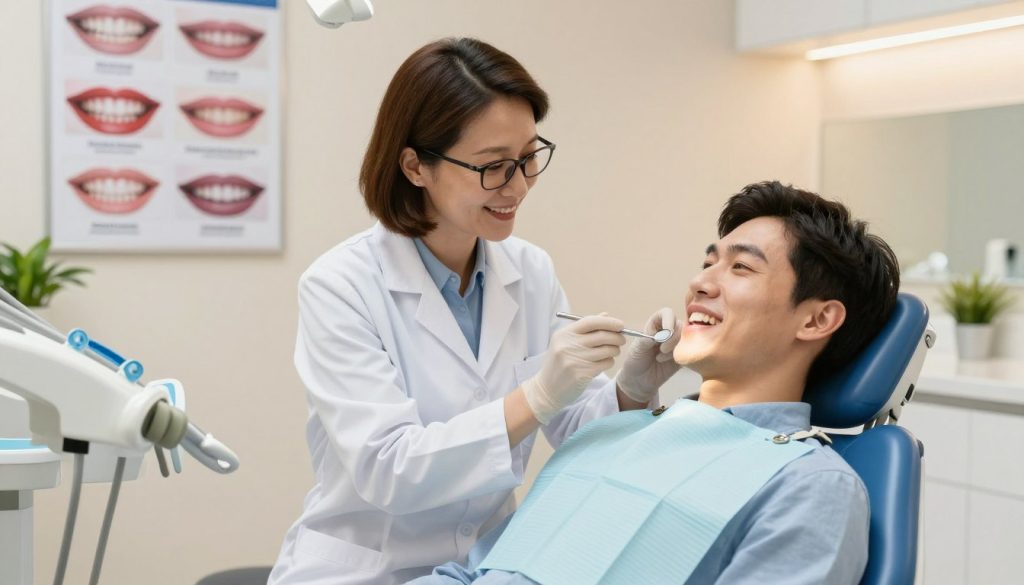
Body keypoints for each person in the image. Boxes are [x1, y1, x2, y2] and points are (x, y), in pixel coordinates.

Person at [269, 38, 682, 585]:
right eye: (493, 167)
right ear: (415, 166)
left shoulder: (529, 272)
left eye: (529, 158)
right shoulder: (340, 286)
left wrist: (629, 388)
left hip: (487, 567)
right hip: (369, 571)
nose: (517, 187)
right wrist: (534, 396)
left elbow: (576, 429)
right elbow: (389, 469)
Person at [409, 180, 901, 585]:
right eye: (709, 261)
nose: (702, 282)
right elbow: (469, 573)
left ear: (817, 321)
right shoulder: (613, 432)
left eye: (741, 267)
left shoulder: (809, 486)